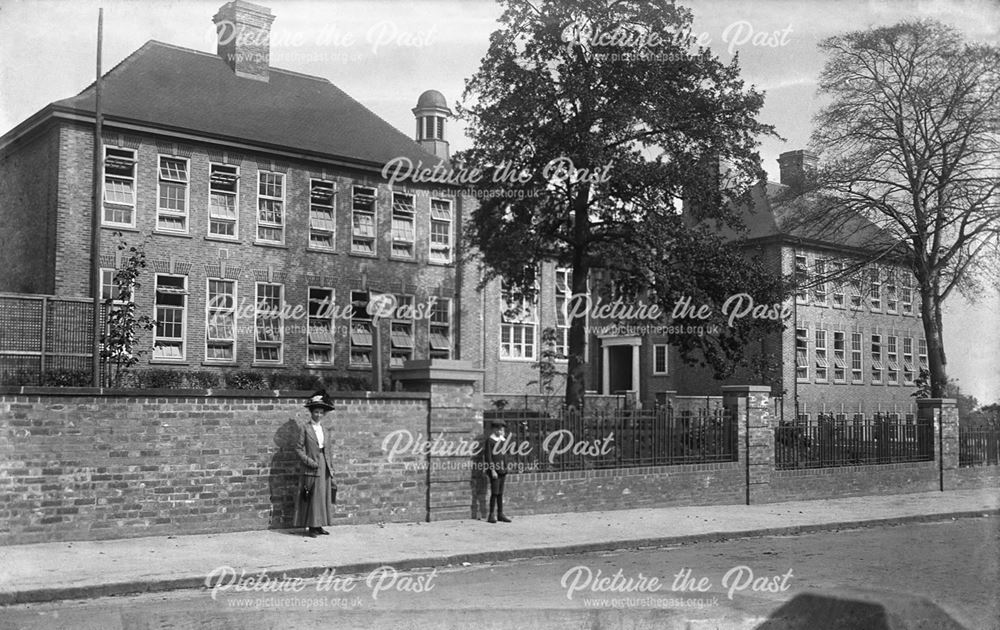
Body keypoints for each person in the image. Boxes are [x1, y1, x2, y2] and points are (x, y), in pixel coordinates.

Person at [293, 390, 337, 538]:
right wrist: (309, 461)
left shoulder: (325, 430)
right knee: (313, 496)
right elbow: (298, 449)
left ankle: (319, 525)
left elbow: (328, 450)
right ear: (311, 413)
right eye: (316, 412)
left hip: (324, 465)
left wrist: (331, 467)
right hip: (311, 466)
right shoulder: (305, 429)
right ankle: (311, 526)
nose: (318, 415)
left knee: (323, 495)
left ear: (324, 414)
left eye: (320, 412)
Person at [483, 419, 512, 523]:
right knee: (494, 493)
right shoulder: (490, 441)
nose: (500, 431)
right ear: (494, 429)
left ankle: (500, 514)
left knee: (500, 493)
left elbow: (506, 453)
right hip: (495, 470)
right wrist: (492, 470)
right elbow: (488, 457)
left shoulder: (502, 440)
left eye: (502, 430)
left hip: (502, 469)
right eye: (499, 429)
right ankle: (491, 514)